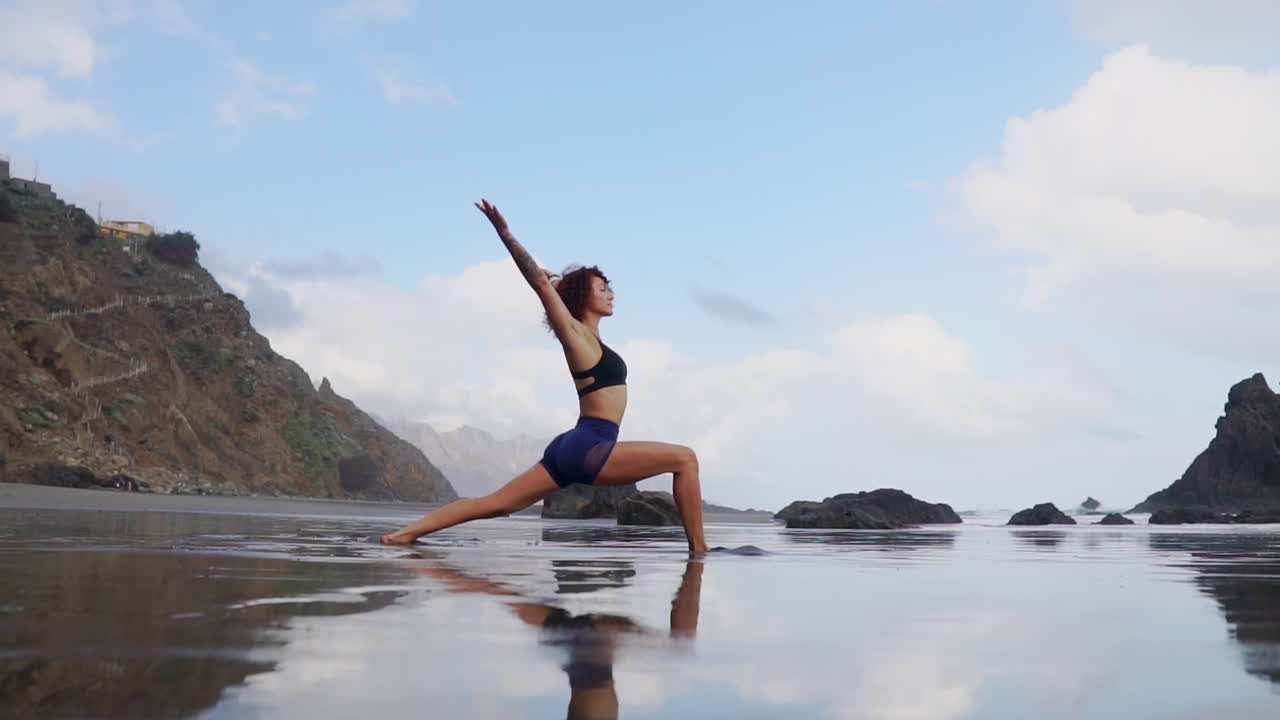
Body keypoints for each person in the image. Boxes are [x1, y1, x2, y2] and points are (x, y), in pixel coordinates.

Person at [381, 199, 708, 553]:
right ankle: (700, 550)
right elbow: (540, 281)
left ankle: (404, 534)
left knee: (496, 504)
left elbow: (551, 278)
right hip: (592, 446)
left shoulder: (589, 336)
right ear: (584, 297)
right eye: (602, 288)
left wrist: (558, 280)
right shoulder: (575, 335)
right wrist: (506, 235)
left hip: (572, 445)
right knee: (684, 458)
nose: (611, 293)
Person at [412, 558, 704, 720]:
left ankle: (418, 562)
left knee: (681, 642)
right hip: (577, 648)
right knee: (492, 589)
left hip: (585, 649)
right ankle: (419, 563)